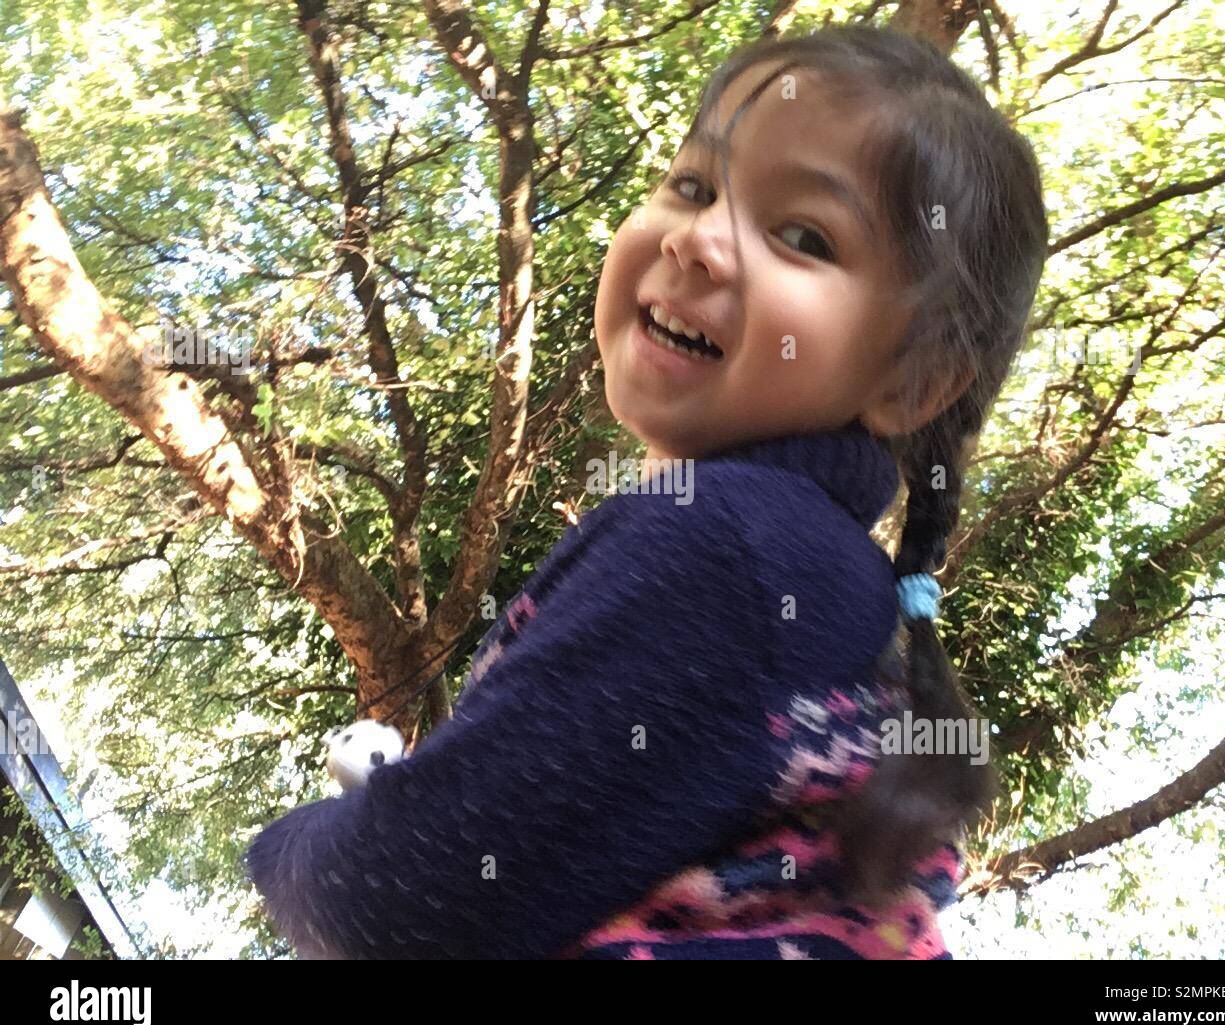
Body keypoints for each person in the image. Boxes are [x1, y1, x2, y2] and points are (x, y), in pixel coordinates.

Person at [245, 23, 1049, 960]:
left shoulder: (728, 545)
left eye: (803, 236)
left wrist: (282, 850)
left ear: (913, 383)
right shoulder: (817, 584)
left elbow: (399, 902)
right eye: (696, 185)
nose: (702, 240)